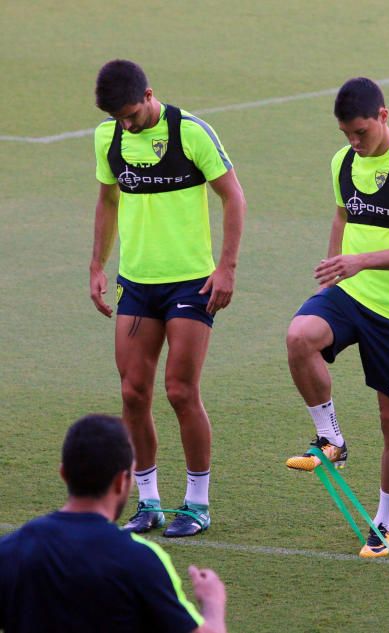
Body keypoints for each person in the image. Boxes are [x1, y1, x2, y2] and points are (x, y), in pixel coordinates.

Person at [284, 77, 389, 559]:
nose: (354, 142)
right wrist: (335, 269)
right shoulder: (344, 162)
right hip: (350, 294)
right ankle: (331, 438)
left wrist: (359, 261)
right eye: (346, 134)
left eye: (361, 132)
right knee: (299, 337)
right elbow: (342, 216)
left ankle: (386, 523)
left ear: (383, 116)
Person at [88, 60, 246, 537]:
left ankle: (196, 503)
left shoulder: (191, 133)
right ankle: (149, 500)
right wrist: (97, 265)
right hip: (136, 283)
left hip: (190, 285)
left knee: (180, 391)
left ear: (150, 95)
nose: (127, 124)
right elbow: (108, 199)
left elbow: (233, 197)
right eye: (119, 117)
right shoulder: (108, 138)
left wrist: (227, 268)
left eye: (132, 114)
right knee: (133, 392)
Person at [0, 414, 228, 632]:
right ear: (121, 481)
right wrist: (212, 603)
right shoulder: (142, 559)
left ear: (63, 474)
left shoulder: (11, 551)